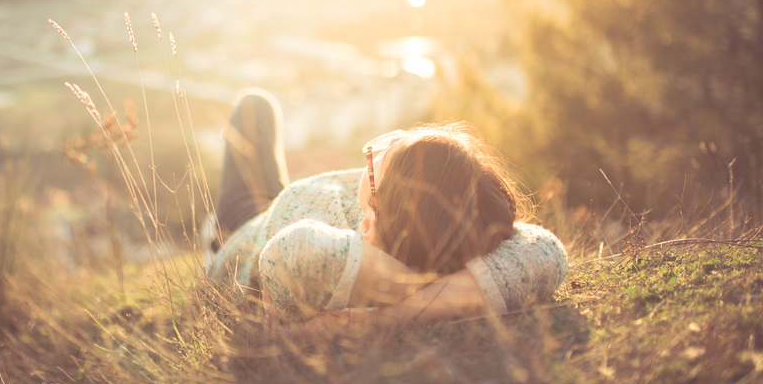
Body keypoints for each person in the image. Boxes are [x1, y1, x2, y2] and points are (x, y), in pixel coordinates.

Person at [207, 89, 568, 324]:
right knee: (258, 108)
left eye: (380, 160)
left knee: (253, 107)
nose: (374, 154)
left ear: (369, 225)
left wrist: (377, 318)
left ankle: (211, 240)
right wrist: (422, 290)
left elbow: (293, 249)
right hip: (275, 215)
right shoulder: (443, 233)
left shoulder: (318, 243)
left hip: (244, 232)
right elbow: (546, 252)